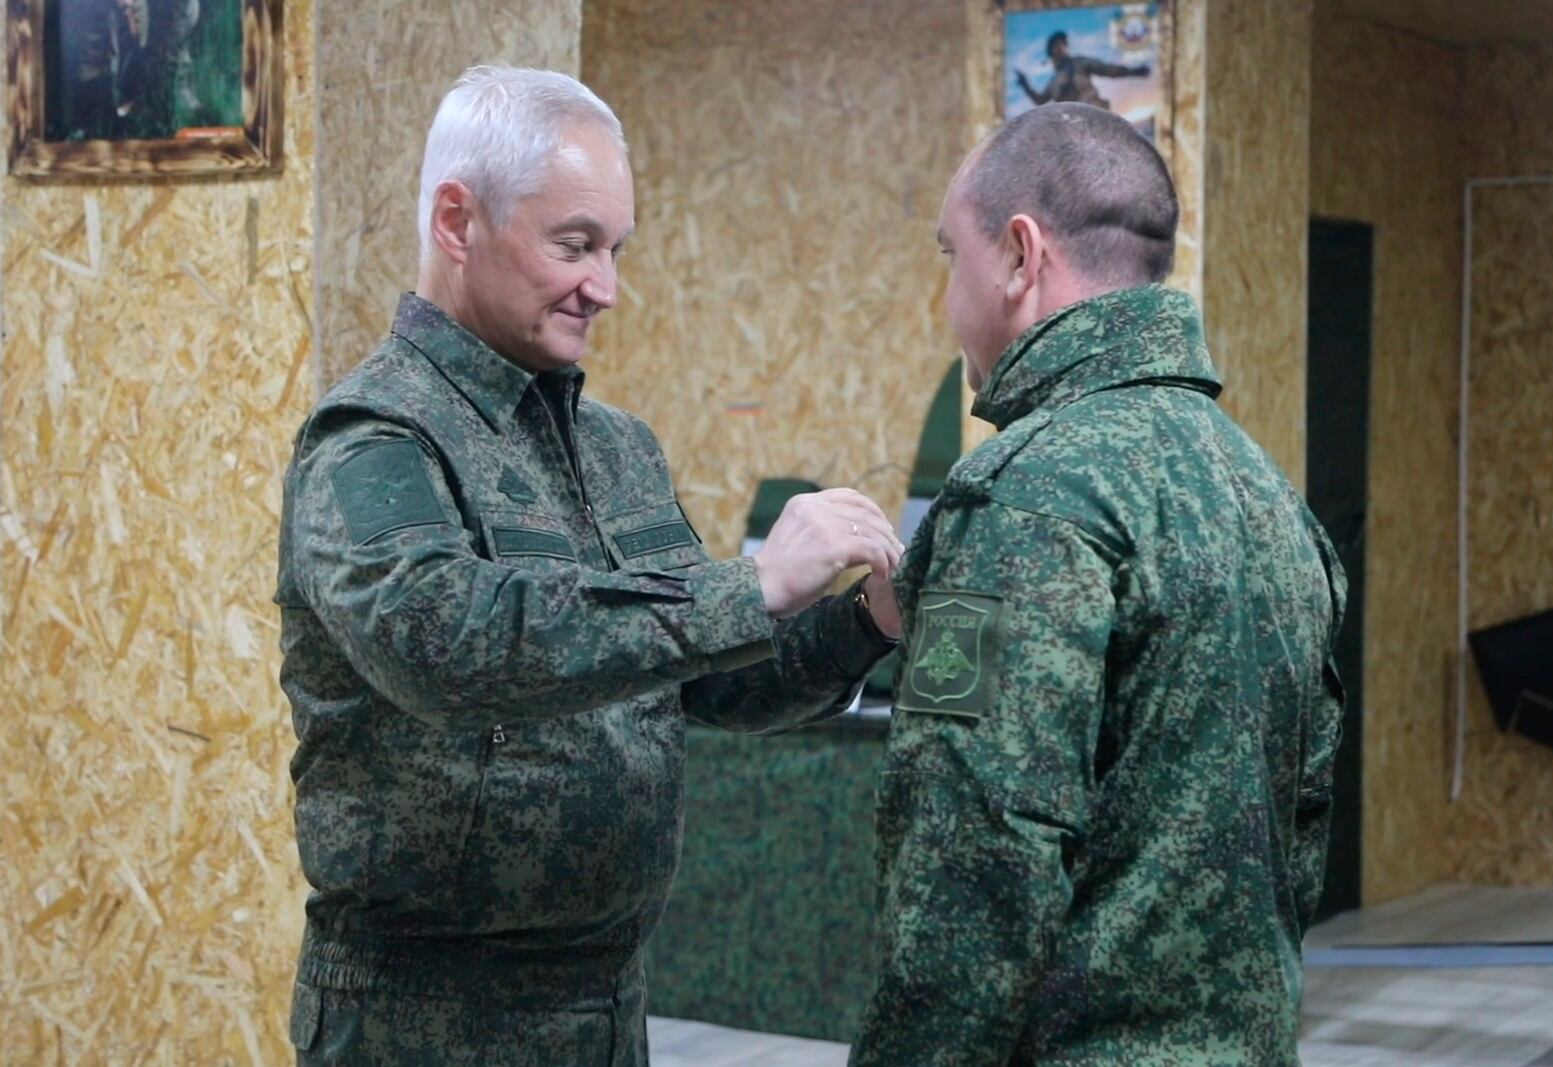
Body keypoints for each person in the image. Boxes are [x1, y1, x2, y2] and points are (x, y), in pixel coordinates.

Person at [275, 66, 903, 1066]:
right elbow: (444, 642)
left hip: (603, 1005)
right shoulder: (375, 438)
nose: (604, 286)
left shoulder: (616, 447)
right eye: (574, 244)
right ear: (456, 220)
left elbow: (709, 677)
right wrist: (742, 586)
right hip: (423, 1023)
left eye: (614, 249)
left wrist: (867, 622)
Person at [850, 102, 1347, 1066]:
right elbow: (1299, 834)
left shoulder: (1023, 495)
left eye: (951, 255)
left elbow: (973, 864)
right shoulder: (1266, 493)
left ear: (1019, 256)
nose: (949, 296)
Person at [1015, 31, 1149, 111]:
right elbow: (1040, 100)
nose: (1061, 48)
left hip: (1096, 115)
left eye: (1063, 44)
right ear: (1051, 52)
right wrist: (1025, 85)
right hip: (1071, 126)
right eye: (1056, 46)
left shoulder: (1080, 63)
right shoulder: (1054, 82)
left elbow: (1106, 70)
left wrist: (1134, 71)